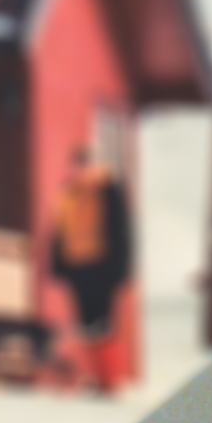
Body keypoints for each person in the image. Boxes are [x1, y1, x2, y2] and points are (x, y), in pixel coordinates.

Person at [46, 138, 134, 393]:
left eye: (84, 166)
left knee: (104, 326)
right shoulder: (69, 194)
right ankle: (94, 377)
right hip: (78, 268)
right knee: (85, 326)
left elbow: (120, 231)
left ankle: (110, 380)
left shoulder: (108, 190)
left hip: (103, 267)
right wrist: (59, 265)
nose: (79, 172)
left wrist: (120, 269)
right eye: (76, 167)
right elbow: (59, 230)